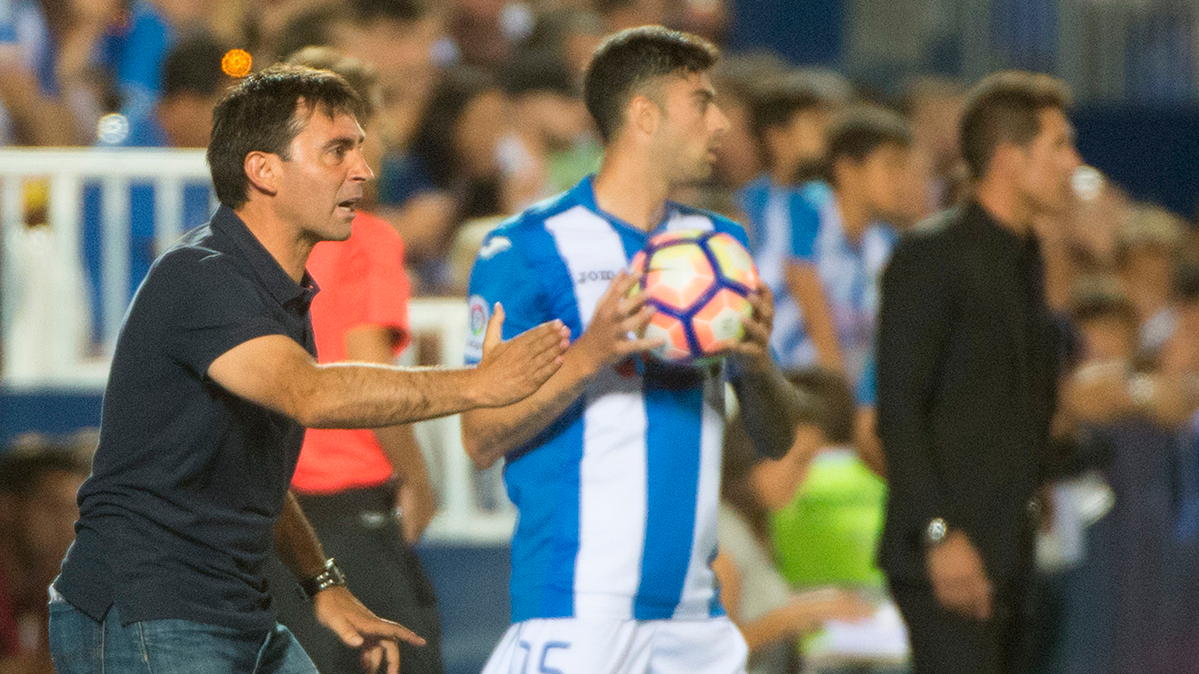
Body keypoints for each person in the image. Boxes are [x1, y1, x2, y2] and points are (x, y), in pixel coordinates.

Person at [49, 64, 569, 674]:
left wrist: (322, 582)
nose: (363, 170)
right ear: (263, 171)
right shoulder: (201, 276)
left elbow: (258, 478)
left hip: (233, 612)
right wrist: (478, 384)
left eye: (360, 149)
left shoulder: (277, 292)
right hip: (147, 609)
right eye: (337, 151)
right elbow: (311, 395)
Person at [461, 26, 825, 674]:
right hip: (577, 607)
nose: (722, 123)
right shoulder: (526, 248)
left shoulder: (719, 246)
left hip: (695, 619)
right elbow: (480, 436)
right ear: (644, 115)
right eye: (702, 103)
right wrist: (589, 354)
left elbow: (773, 441)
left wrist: (754, 365)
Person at [875, 71, 1081, 674]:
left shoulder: (1027, 256)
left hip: (1011, 555)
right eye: (1060, 145)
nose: (1073, 163)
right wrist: (940, 533)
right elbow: (899, 408)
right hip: (947, 558)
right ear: (1011, 159)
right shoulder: (931, 254)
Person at [262, 46, 444, 674]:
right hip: (347, 508)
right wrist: (418, 477)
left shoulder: (246, 239)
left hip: (267, 512)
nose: (380, 149)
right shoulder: (368, 239)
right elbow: (370, 377)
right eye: (371, 132)